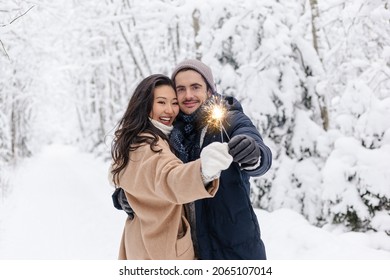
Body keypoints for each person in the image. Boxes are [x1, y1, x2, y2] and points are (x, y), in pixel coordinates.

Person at [109, 74, 233, 260]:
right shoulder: (151, 145)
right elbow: (170, 178)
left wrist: (129, 194)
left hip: (141, 242)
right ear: (145, 104)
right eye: (161, 102)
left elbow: (125, 174)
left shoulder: (135, 138)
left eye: (174, 103)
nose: (170, 110)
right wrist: (203, 170)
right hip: (162, 250)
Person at [170, 59, 272, 259]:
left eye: (195, 87)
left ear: (209, 90)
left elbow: (261, 153)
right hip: (186, 251)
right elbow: (147, 172)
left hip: (234, 248)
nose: (188, 95)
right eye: (181, 89)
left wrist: (253, 152)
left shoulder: (229, 120)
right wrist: (130, 196)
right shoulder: (169, 132)